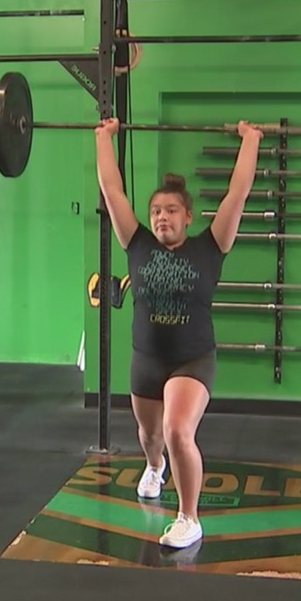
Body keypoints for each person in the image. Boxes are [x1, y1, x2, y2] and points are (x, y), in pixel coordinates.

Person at [94, 117, 263, 549]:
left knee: (176, 431)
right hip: (146, 360)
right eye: (155, 212)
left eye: (170, 210)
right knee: (150, 438)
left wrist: (251, 140)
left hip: (193, 358)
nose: (161, 216)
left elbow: (237, 193)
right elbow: (113, 193)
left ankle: (189, 518)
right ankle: (154, 468)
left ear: (188, 215)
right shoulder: (137, 244)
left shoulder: (211, 246)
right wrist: (103, 137)